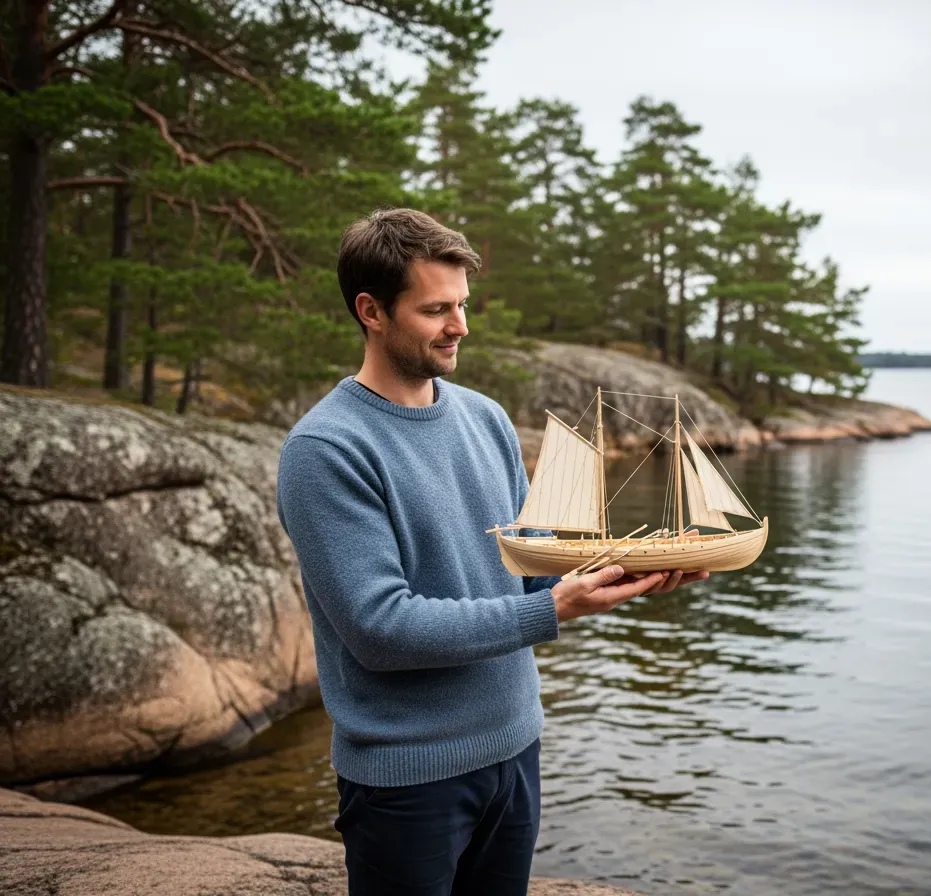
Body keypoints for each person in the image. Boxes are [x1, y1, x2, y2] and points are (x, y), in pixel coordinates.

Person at [275, 207, 708, 896]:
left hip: (516, 751)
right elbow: (379, 629)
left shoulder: (486, 419)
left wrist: (633, 570)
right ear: (371, 311)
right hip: (408, 781)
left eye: (463, 305)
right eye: (436, 310)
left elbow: (530, 575)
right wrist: (551, 611)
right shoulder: (326, 449)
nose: (460, 327)